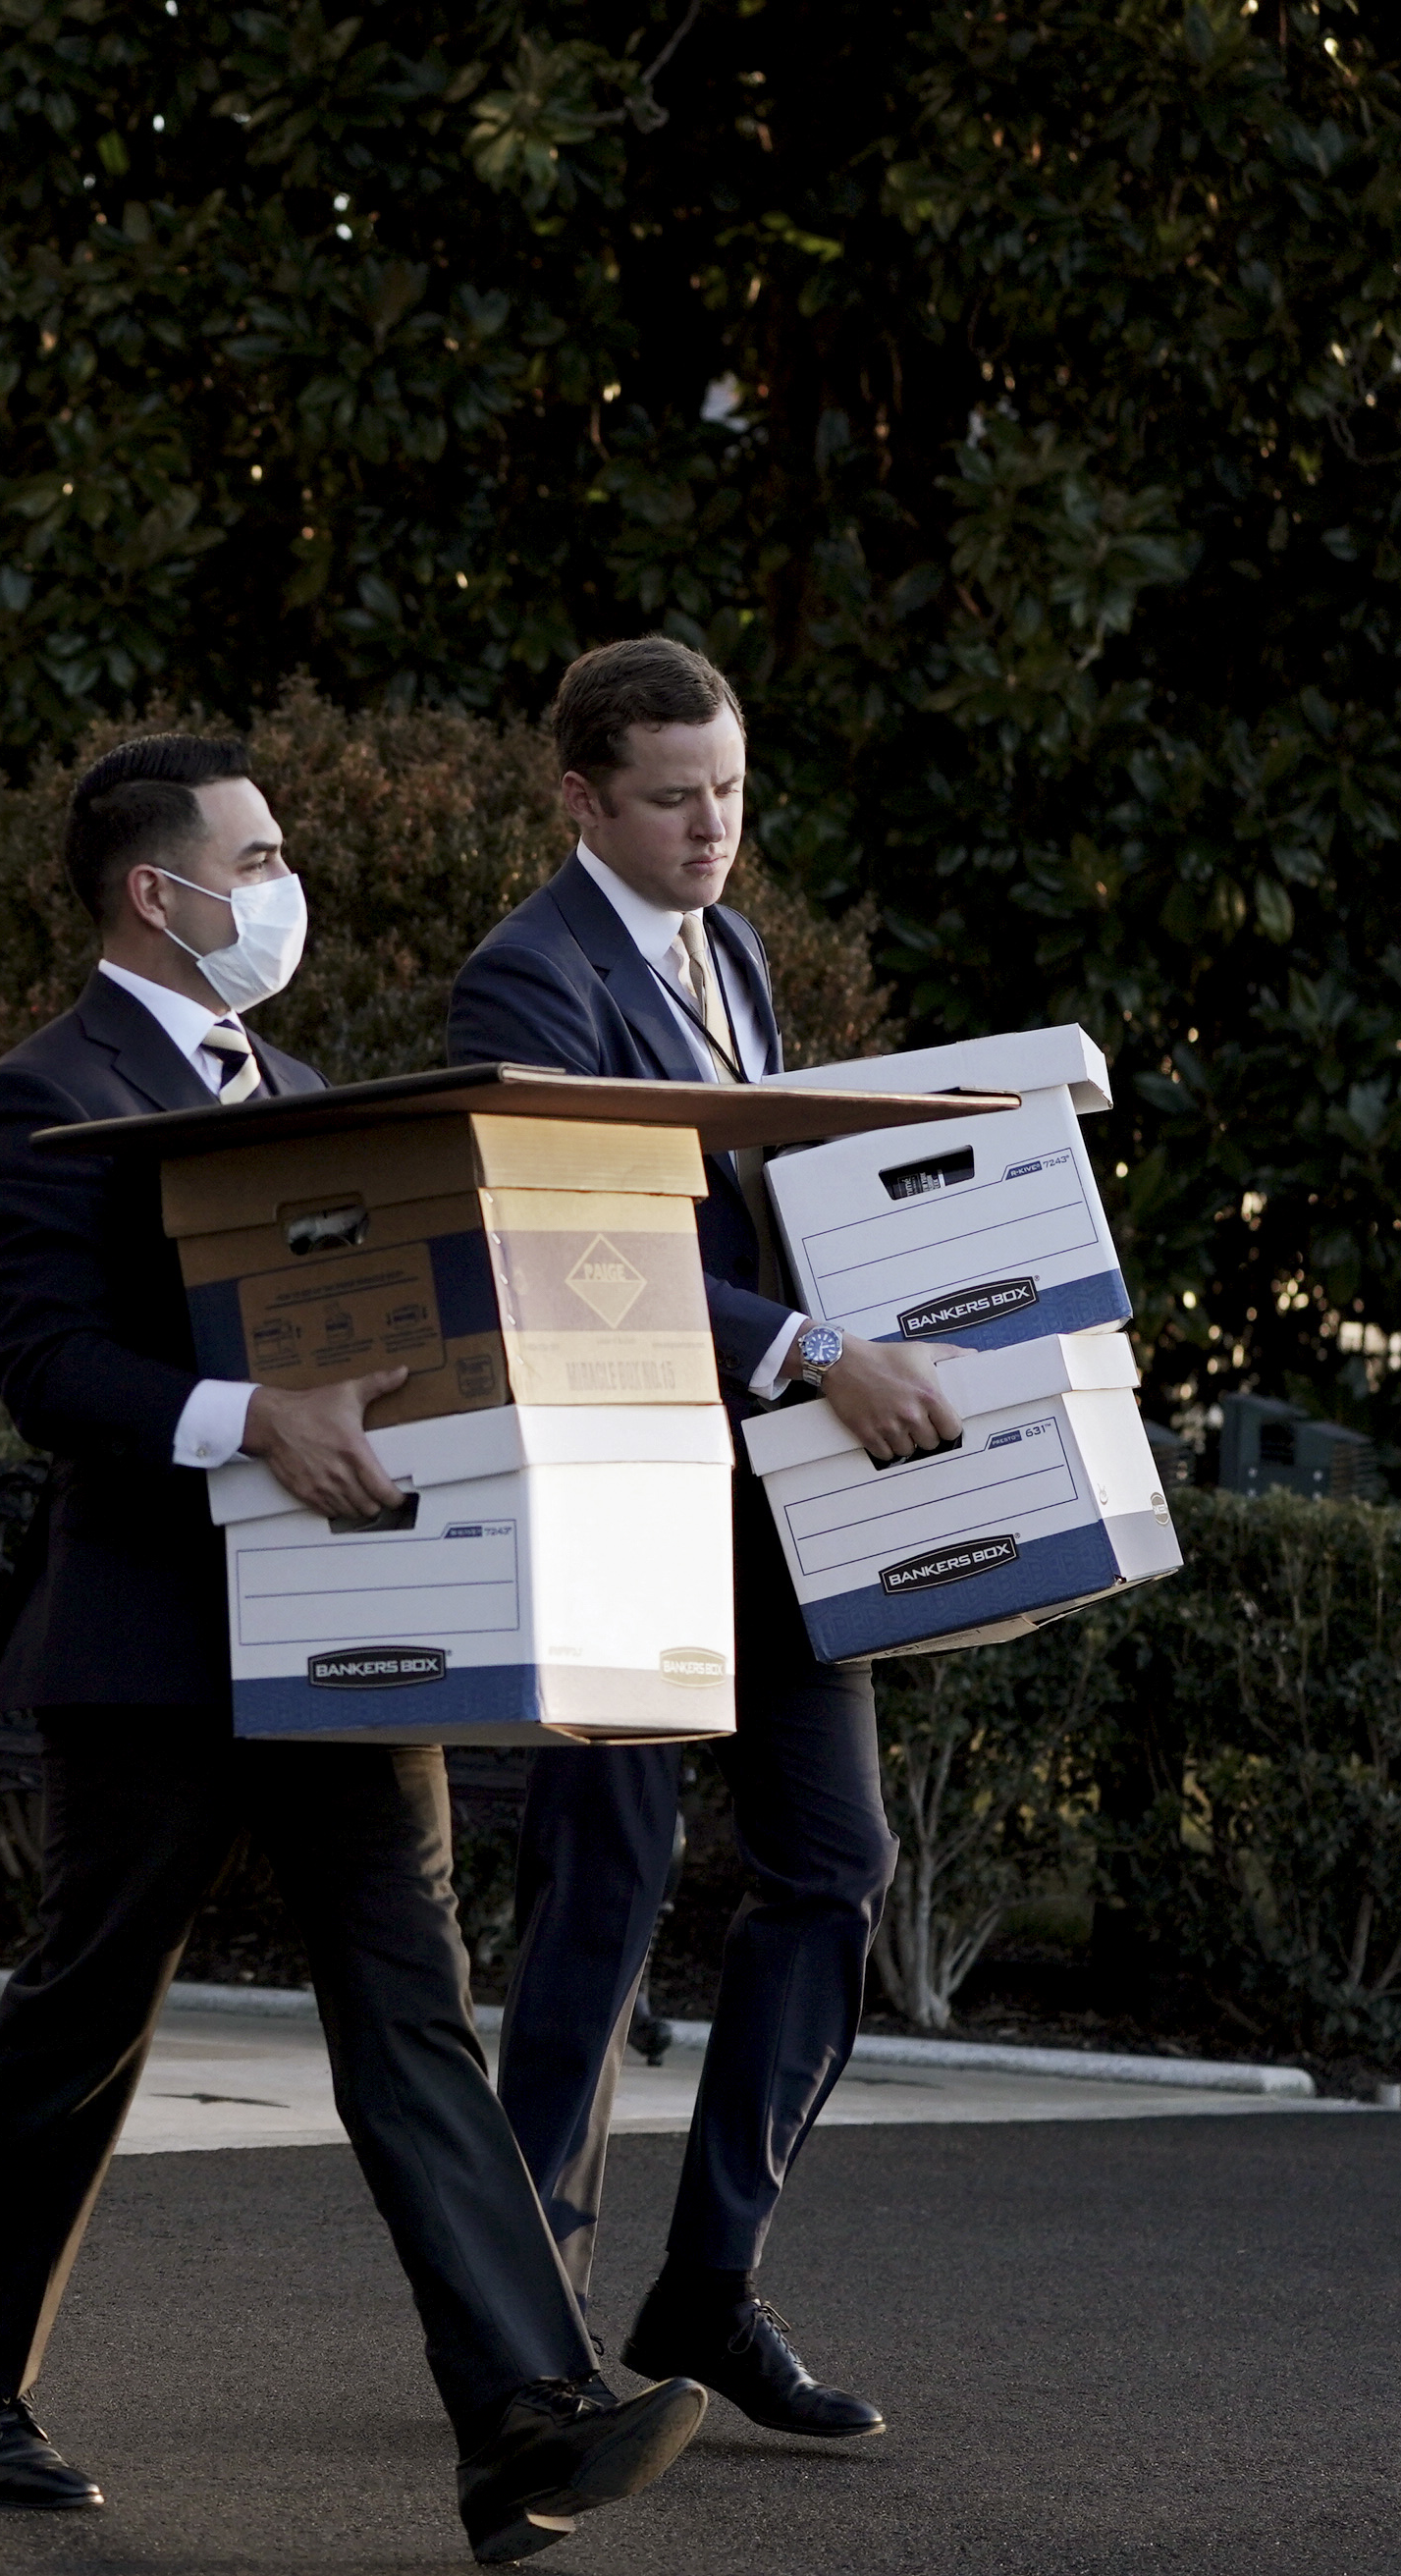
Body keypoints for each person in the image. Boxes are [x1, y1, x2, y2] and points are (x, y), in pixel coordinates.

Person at [0, 735, 708, 2566]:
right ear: (151, 892)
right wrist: (252, 1415)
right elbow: (48, 1371)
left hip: (352, 1629)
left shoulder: (316, 1093)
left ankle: (522, 2418)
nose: (283, 884)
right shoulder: (35, 1097)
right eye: (253, 857)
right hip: (156, 1640)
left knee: (412, 2006)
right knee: (87, 2012)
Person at [447, 639, 964, 2437]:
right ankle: (520, 2331)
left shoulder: (728, 948)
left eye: (729, 788)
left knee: (836, 1867)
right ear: (579, 795)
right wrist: (816, 1346)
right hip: (626, 1500)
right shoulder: (525, 975)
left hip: (777, 1501)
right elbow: (581, 1244)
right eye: (672, 794)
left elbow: (756, 1198)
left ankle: (708, 2286)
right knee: (604, 1901)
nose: (711, 827)